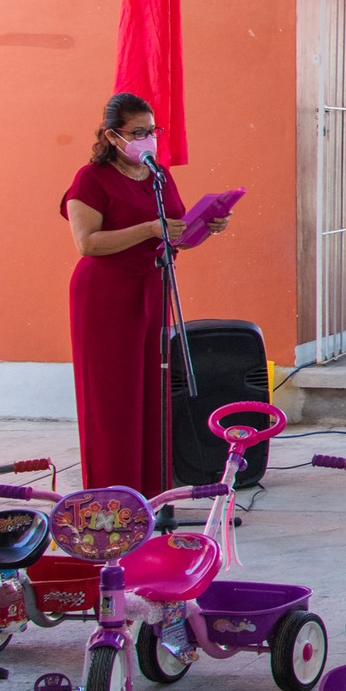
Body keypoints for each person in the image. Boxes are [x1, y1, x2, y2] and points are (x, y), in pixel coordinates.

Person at [62, 93, 230, 493]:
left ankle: (150, 496)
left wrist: (206, 226)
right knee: (111, 399)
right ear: (112, 136)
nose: (148, 139)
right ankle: (110, 498)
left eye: (152, 131)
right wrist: (149, 230)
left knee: (151, 394)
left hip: (152, 288)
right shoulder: (91, 178)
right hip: (105, 294)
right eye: (138, 132)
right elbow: (87, 243)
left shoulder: (159, 176)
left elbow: (177, 233)